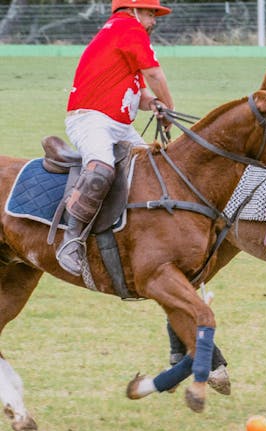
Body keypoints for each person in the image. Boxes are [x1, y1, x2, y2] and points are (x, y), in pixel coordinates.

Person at [56, 0, 174, 276]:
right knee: (101, 169)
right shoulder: (128, 28)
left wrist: (155, 103)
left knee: (157, 170)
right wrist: (170, 106)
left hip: (120, 125)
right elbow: (154, 73)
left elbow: (140, 93)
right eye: (149, 13)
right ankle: (71, 240)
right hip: (90, 118)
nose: (153, 20)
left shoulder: (122, 34)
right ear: (130, 10)